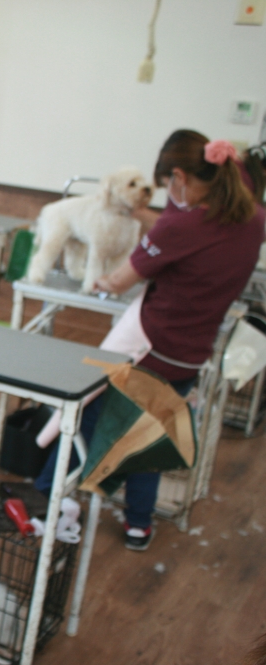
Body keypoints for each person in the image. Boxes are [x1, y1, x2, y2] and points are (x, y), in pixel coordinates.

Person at [35, 130, 265, 551]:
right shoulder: (253, 219)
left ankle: (46, 500)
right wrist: (144, 219)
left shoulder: (181, 225)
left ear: (178, 176)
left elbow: (121, 279)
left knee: (84, 418)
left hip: (147, 348)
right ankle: (139, 524)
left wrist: (102, 280)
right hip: (191, 354)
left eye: (162, 186)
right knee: (153, 433)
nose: (165, 195)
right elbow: (187, 240)